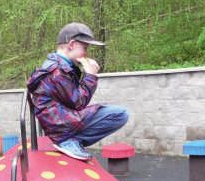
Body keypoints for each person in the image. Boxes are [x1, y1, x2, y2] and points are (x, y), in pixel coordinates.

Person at [26, 22, 129, 160]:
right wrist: (91, 76)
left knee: (108, 110)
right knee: (120, 114)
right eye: (84, 47)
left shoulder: (61, 67)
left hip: (60, 121)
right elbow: (78, 102)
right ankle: (68, 142)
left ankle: (72, 141)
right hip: (61, 127)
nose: (86, 53)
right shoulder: (57, 71)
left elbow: (72, 100)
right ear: (71, 44)